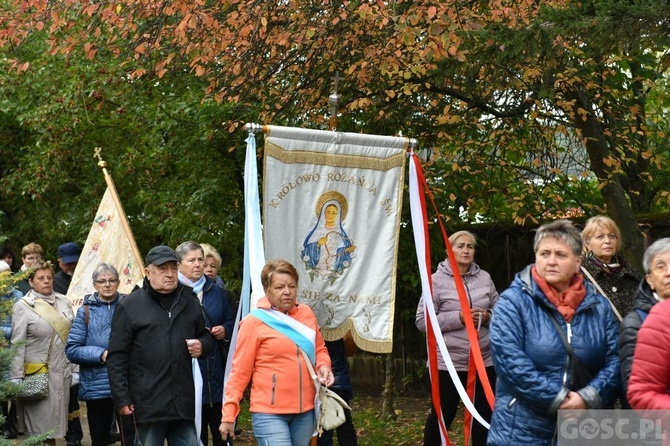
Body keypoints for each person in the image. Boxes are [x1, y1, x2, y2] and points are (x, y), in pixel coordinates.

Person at [487, 219, 620, 445]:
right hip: (522, 429)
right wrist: (560, 400)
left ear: (578, 262)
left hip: (584, 429)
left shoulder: (599, 307)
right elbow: (511, 364)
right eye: (544, 253)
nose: (551, 261)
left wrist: (588, 397)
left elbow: (615, 359)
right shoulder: (512, 303)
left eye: (560, 255)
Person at [220, 259, 334, 445]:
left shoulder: (306, 314)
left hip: (305, 411)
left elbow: (320, 349)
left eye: (292, 286)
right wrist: (229, 414)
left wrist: (324, 365)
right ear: (267, 290)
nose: (287, 291)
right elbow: (239, 372)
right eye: (280, 287)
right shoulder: (253, 322)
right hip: (269, 413)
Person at [107, 245, 211, 446]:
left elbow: (204, 336)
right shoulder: (130, 305)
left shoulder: (189, 301)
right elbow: (117, 356)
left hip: (183, 404)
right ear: (148, 272)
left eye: (173, 268)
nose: (170, 274)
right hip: (147, 404)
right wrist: (121, 397)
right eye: (163, 269)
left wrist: (203, 346)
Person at [415, 230, 499, 446]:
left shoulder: (485, 278)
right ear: (448, 251)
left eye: (470, 246)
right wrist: (458, 318)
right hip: (448, 364)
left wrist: (488, 317)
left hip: (484, 361)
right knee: (443, 417)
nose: (466, 250)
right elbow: (422, 321)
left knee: (485, 416)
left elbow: (502, 313)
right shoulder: (434, 281)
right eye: (460, 246)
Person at [65, 263, 135, 446]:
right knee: (100, 438)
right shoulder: (85, 311)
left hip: (128, 383)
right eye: (102, 281)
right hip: (96, 386)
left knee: (131, 436)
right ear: (94, 285)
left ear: (118, 283)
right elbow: (72, 349)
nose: (107, 285)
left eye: (112, 280)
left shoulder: (131, 306)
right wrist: (101, 354)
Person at [9, 260, 75, 445]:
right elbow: (17, 343)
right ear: (31, 282)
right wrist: (16, 377)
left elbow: (73, 339)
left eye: (49, 277)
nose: (46, 281)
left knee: (53, 429)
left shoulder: (64, 302)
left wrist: (75, 369)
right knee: (39, 431)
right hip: (37, 375)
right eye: (41, 278)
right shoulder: (23, 306)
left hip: (62, 374)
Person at [176, 241, 235, 446]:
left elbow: (231, 320)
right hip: (187, 379)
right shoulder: (171, 293)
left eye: (200, 259)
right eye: (191, 260)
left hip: (216, 375)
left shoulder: (218, 292)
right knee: (193, 439)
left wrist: (225, 330)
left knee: (222, 435)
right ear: (179, 265)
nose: (198, 264)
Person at [618, 238, 670, 407]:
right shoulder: (636, 322)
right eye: (660, 267)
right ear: (649, 280)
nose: (668, 272)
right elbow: (636, 391)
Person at [53, 241, 84, 446]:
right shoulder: (54, 282)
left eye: (75, 262)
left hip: (84, 341)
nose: (71, 266)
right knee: (66, 394)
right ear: (59, 262)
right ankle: (69, 435)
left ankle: (76, 436)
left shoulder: (87, 276)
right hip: (62, 345)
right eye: (67, 263)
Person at [580, 215, 641, 317]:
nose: (607, 241)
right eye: (600, 236)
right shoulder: (579, 274)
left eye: (612, 236)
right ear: (588, 242)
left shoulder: (631, 273)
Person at [302, 192, 355, 280]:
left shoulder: (340, 233)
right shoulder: (317, 231)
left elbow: (346, 253)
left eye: (334, 213)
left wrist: (348, 250)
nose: (330, 215)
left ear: (337, 215)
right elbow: (305, 251)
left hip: (333, 267)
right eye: (328, 212)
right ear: (324, 213)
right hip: (318, 267)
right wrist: (317, 244)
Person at [317, 338, 358, 446]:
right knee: (344, 424)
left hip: (322, 379)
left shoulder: (307, 324)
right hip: (338, 379)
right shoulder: (340, 322)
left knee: (324, 428)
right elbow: (350, 351)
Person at [0, 260, 22, 439]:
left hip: (14, 349)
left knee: (13, 389)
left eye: (8, 274)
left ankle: (11, 423)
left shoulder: (18, 296)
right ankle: (4, 423)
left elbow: (21, 325)